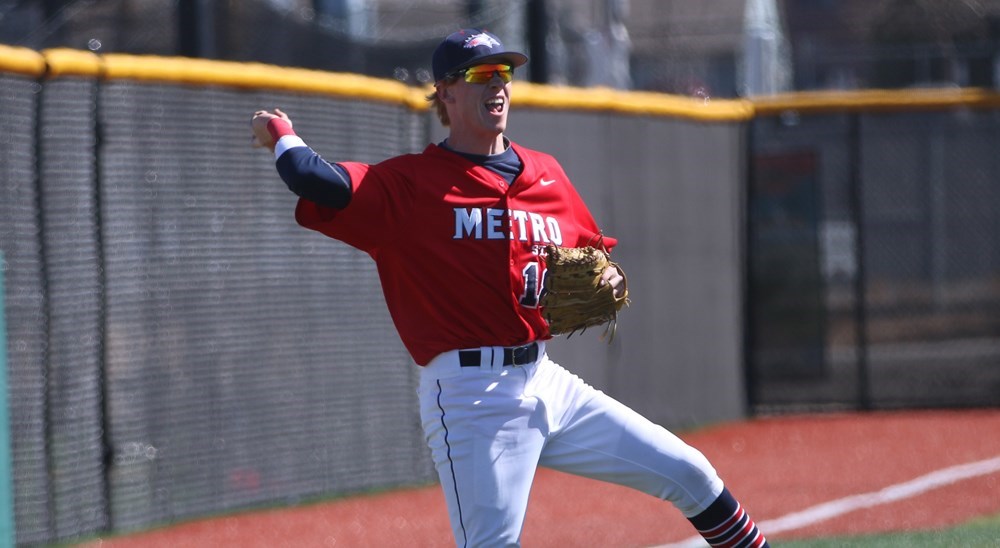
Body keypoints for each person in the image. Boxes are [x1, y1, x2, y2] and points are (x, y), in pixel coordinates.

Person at [251, 28, 768, 548]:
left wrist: (608, 275)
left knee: (692, 473)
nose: (497, 84)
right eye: (480, 74)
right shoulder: (411, 186)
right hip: (473, 398)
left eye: (504, 73)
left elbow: (593, 254)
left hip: (547, 380)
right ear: (446, 92)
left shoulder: (546, 174)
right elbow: (311, 178)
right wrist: (281, 132)